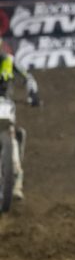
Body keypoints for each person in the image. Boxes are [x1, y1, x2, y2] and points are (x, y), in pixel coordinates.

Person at [0, 42, 41, 201]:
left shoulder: (9, 60)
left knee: (16, 135)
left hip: (4, 104)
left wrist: (33, 94)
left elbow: (27, 77)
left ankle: (17, 178)